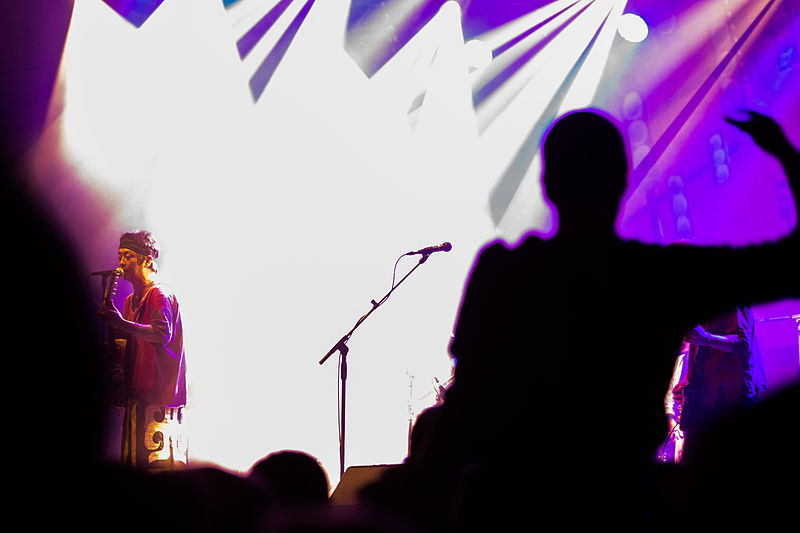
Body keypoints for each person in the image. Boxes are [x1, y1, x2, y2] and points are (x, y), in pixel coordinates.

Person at [360, 109, 800, 532]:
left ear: (547, 183)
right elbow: (791, 261)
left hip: (506, 507)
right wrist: (784, 153)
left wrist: (406, 487)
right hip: (614, 506)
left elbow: (466, 405)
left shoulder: (504, 272)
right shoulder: (658, 275)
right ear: (621, 183)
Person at [99, 230, 188, 471]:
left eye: (127, 256)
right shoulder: (130, 301)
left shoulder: (160, 294)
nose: (121, 262)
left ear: (147, 260)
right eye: (119, 256)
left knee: (160, 473)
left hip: (158, 402)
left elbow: (161, 333)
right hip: (137, 398)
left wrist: (121, 324)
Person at [678, 305, 767, 459]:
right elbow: (704, 351)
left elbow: (743, 343)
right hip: (707, 396)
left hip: (733, 395)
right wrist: (689, 380)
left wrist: (706, 338)